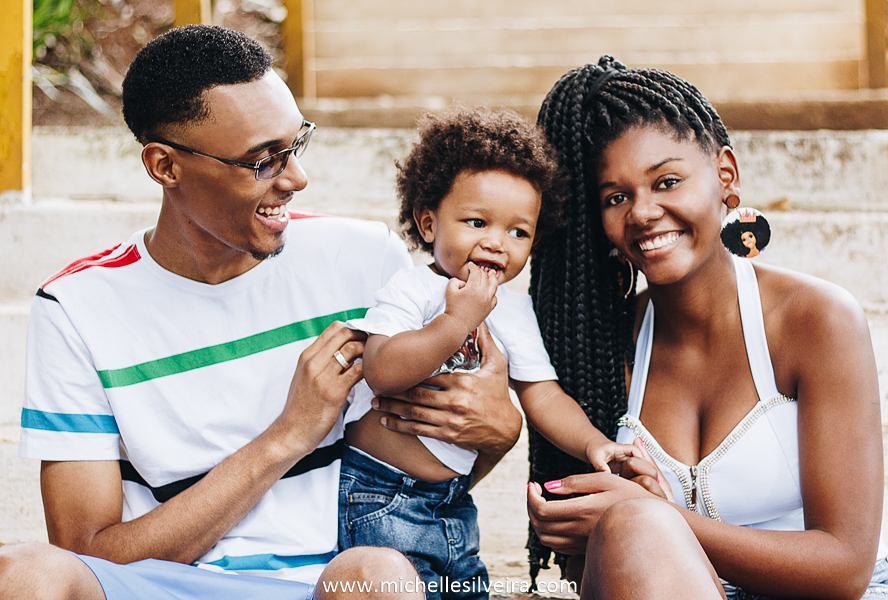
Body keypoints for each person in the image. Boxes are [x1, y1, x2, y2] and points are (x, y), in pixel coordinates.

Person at [0, 25, 521, 600]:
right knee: (25, 573)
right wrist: (288, 436)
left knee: (380, 575)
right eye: (263, 161)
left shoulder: (366, 260)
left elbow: (427, 467)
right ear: (165, 166)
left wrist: (498, 434)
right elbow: (86, 553)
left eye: (295, 146)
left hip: (336, 583)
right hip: (165, 586)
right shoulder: (76, 307)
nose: (297, 178)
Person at [525, 56, 888, 599]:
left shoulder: (813, 320)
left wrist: (652, 513)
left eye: (667, 181)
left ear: (726, 174)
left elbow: (844, 568)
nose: (643, 212)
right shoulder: (604, 345)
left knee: (639, 522)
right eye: (616, 197)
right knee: (633, 530)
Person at [338, 107, 637, 599]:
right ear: (429, 222)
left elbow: (543, 395)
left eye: (518, 232)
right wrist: (457, 321)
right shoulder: (415, 291)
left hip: (454, 502)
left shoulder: (514, 312)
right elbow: (382, 369)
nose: (497, 243)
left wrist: (592, 445)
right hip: (377, 496)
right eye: (477, 222)